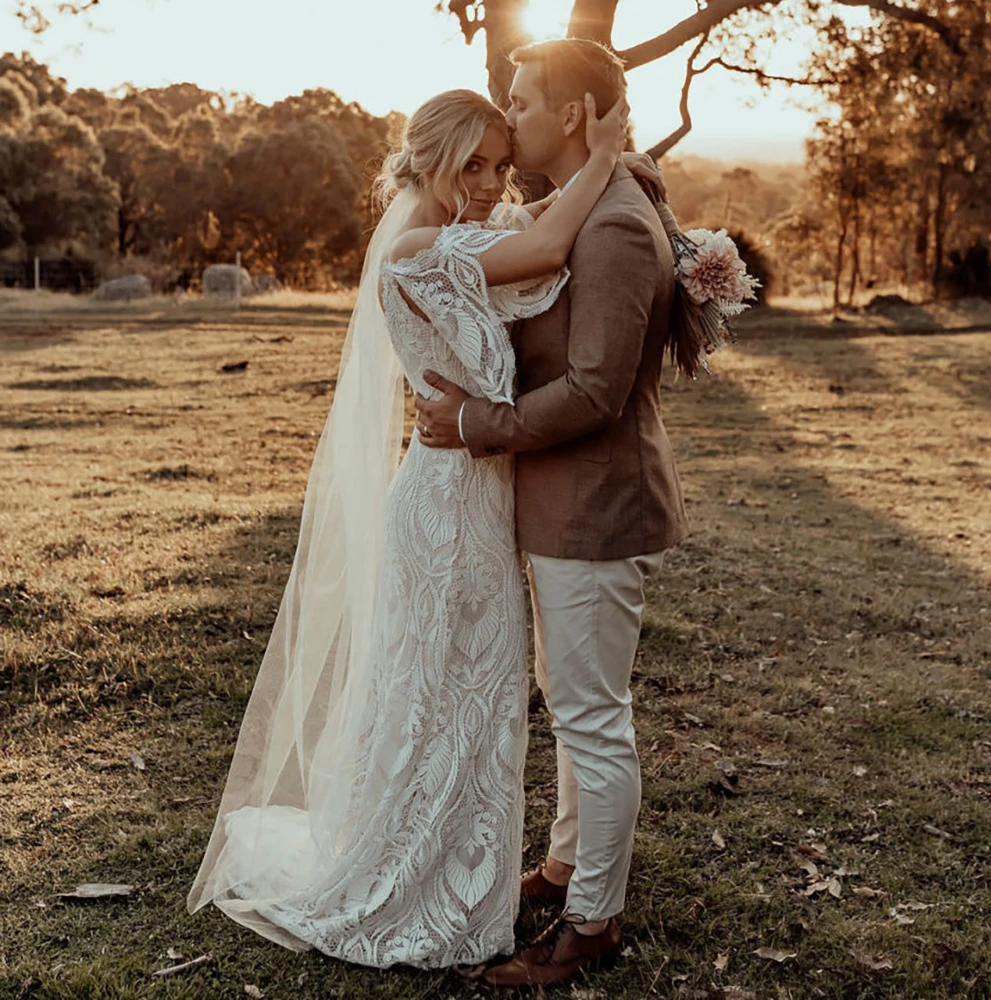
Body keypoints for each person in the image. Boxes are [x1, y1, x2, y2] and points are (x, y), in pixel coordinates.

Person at [186, 85, 653, 970]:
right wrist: (607, 154)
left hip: (478, 497)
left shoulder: (466, 237)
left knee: (469, 699)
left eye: (496, 163)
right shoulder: (418, 246)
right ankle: (413, 878)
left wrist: (629, 187)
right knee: (444, 697)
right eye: (469, 165)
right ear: (426, 163)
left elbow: (541, 233)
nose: (487, 182)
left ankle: (459, 871)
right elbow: (549, 244)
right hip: (443, 506)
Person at [415, 39, 691, 988]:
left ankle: (592, 925)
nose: (514, 114)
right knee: (578, 710)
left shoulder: (613, 226)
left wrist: (470, 421)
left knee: (593, 718)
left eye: (524, 102)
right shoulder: (587, 209)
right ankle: (569, 866)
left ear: (572, 116)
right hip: (565, 506)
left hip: (598, 507)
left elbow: (596, 391)